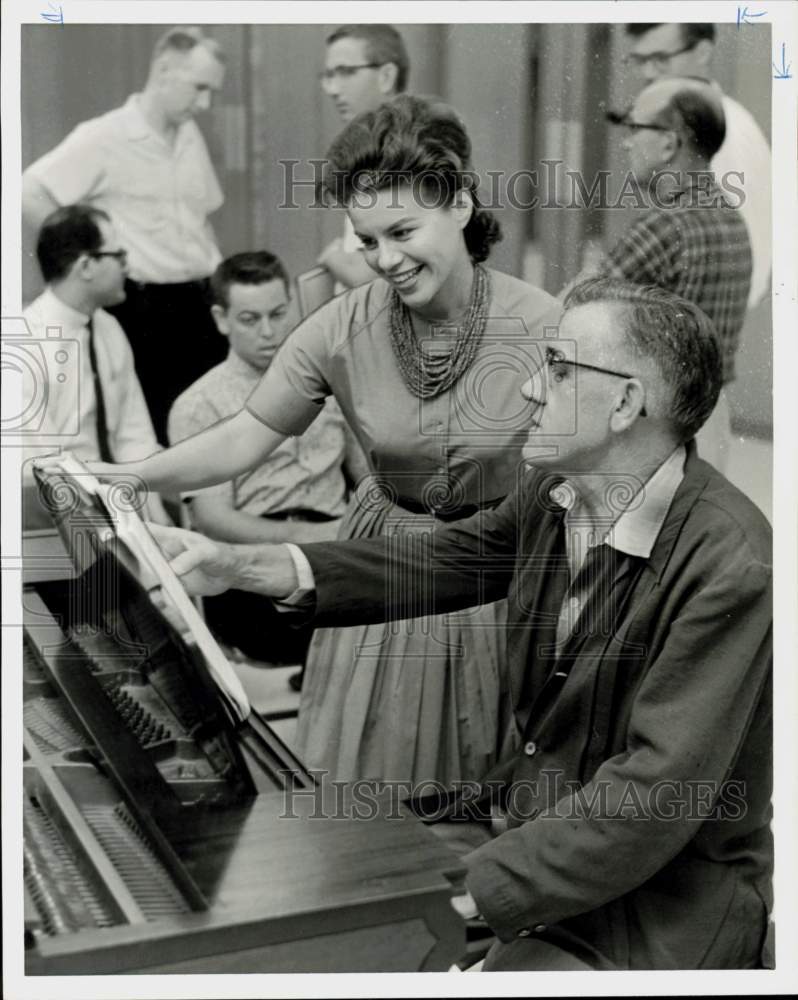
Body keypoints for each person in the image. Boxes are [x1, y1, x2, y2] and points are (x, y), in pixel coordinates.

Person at [148, 278, 773, 971]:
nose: (531, 389)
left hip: (660, 907)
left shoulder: (730, 566)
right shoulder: (553, 491)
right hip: (535, 841)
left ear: (626, 402)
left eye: (559, 369)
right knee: (310, 893)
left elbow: (649, 800)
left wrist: (465, 893)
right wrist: (239, 565)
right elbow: (446, 560)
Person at [80, 96, 559, 788]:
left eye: (402, 231)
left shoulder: (546, 323)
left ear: (459, 205)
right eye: (367, 241)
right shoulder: (343, 324)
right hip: (377, 576)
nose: (384, 260)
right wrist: (131, 477)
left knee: (486, 787)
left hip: (492, 574)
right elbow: (245, 434)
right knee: (371, 785)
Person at [22, 26, 228, 444]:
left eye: (212, 92)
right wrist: (83, 255)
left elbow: (200, 218)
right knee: (148, 434)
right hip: (144, 309)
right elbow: (29, 192)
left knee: (207, 431)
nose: (205, 103)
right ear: (164, 69)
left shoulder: (189, 133)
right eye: (199, 88)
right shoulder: (104, 136)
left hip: (200, 304)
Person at [168, 250, 358, 663]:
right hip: (253, 563)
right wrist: (309, 540)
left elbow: (369, 476)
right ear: (221, 319)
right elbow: (213, 518)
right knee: (352, 634)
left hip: (336, 542)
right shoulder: (199, 405)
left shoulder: (333, 378)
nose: (269, 332)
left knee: (418, 606)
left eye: (278, 313)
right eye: (250, 320)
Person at [599, 77, 752, 473]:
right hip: (711, 428)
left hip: (658, 438)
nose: (626, 142)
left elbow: (576, 317)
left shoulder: (663, 227)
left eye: (634, 128)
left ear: (669, 143)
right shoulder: (732, 221)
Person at [22, 205, 168, 525]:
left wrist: (153, 516)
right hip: (62, 520)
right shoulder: (25, 344)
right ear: (86, 265)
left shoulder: (109, 329)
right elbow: (40, 467)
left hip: (119, 510)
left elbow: (135, 436)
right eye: (119, 256)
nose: (127, 268)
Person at [624, 22, 771, 308]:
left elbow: (743, 258)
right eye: (639, 60)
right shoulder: (683, 122)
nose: (648, 73)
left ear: (703, 52)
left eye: (660, 59)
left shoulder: (729, 129)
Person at [316, 24, 410, 290]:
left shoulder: (405, 150)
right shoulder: (375, 142)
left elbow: (375, 274)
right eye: (329, 75)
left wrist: (334, 258)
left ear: (386, 76)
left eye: (345, 72)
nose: (332, 89)